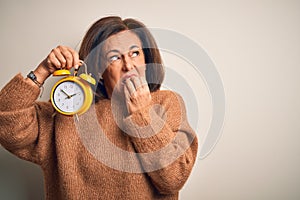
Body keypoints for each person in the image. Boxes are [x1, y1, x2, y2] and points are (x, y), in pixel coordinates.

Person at [0, 16, 198, 200]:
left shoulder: (167, 103)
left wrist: (143, 115)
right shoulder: (68, 112)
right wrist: (42, 71)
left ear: (146, 61)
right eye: (114, 57)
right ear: (100, 70)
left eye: (135, 53)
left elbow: (173, 179)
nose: (128, 65)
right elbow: (7, 124)